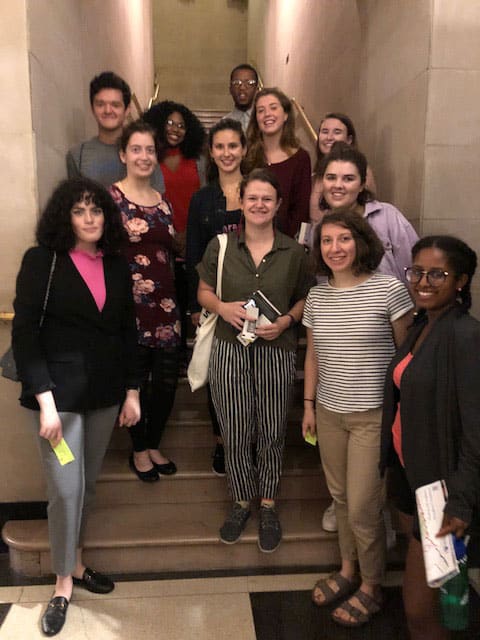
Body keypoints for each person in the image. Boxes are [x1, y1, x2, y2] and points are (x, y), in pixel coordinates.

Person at [12, 177, 141, 636]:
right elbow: (25, 334)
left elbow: (127, 331)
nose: (90, 218)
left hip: (105, 395)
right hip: (58, 400)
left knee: (85, 488)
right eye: (79, 211)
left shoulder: (116, 265)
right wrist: (44, 402)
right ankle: (63, 582)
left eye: (96, 210)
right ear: (64, 217)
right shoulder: (41, 260)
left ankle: (78, 562)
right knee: (66, 491)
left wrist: (132, 391)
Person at [302, 210, 413, 628]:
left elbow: (406, 358)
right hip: (329, 413)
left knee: (364, 506)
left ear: (361, 242)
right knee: (342, 499)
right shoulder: (317, 297)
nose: (335, 248)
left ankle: (372, 585)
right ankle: (348, 570)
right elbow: (313, 356)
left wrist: (404, 414)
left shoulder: (389, 289)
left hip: (373, 416)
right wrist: (309, 406)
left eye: (344, 239)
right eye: (327, 241)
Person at [197, 168, 311, 553]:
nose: (259, 204)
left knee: (272, 428)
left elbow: (304, 297)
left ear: (278, 205)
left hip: (277, 349)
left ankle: (268, 504)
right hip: (230, 348)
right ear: (241, 202)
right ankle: (242, 499)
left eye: (267, 199)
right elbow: (203, 291)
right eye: (253, 198)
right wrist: (222, 307)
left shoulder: (294, 252)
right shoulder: (220, 246)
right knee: (234, 428)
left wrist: (287, 321)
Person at [380, 236, 480, 640]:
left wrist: (461, 501)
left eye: (437, 274)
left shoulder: (465, 336)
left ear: (460, 281)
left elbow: (475, 429)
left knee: (421, 610)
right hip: (412, 477)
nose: (423, 282)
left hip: (442, 488)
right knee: (427, 595)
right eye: (417, 272)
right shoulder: (422, 325)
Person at [317, 140, 418, 534]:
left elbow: (414, 266)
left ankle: (376, 512)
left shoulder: (387, 216)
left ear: (362, 183)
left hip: (389, 332)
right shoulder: (321, 225)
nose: (339, 185)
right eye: (331, 177)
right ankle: (346, 506)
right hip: (345, 349)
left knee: (382, 438)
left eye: (348, 178)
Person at [109, 120, 181, 482]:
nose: (143, 156)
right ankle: (138, 449)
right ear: (123, 154)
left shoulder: (163, 202)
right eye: (136, 149)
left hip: (167, 308)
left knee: (166, 383)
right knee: (134, 381)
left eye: (150, 150)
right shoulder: (111, 199)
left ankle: (153, 443)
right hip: (130, 309)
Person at [186, 118, 246, 475]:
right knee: (218, 373)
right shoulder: (201, 199)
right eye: (220, 146)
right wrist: (195, 305)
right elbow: (193, 252)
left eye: (233, 145)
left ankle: (249, 440)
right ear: (211, 152)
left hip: (254, 299)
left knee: (251, 375)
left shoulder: (257, 190)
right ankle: (222, 441)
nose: (227, 153)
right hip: (213, 299)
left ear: (244, 149)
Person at [143, 100, 206, 358]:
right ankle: (171, 354)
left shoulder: (198, 160)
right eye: (170, 123)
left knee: (191, 296)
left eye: (181, 125)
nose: (175, 129)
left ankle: (192, 355)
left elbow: (204, 198)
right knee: (166, 298)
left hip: (193, 239)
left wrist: (191, 235)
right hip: (160, 239)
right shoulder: (149, 158)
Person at [66, 71, 164, 191]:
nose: (108, 110)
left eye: (115, 105)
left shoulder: (145, 151)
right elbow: (74, 199)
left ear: (127, 110)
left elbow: (156, 196)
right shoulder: (77, 155)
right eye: (100, 104)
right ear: (92, 108)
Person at [245, 87, 311, 238]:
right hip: (249, 239)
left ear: (286, 114)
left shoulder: (301, 158)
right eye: (261, 110)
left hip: (286, 243)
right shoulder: (246, 156)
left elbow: (301, 210)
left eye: (273, 108)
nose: (267, 114)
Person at [310, 113, 376, 222]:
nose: (329, 137)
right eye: (325, 132)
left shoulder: (360, 170)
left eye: (337, 132)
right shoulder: (315, 174)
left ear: (349, 139)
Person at [224, 63, 259, 133]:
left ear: (257, 90)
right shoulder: (224, 124)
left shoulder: (264, 122)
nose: (242, 87)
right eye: (237, 83)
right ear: (230, 89)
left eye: (249, 83)